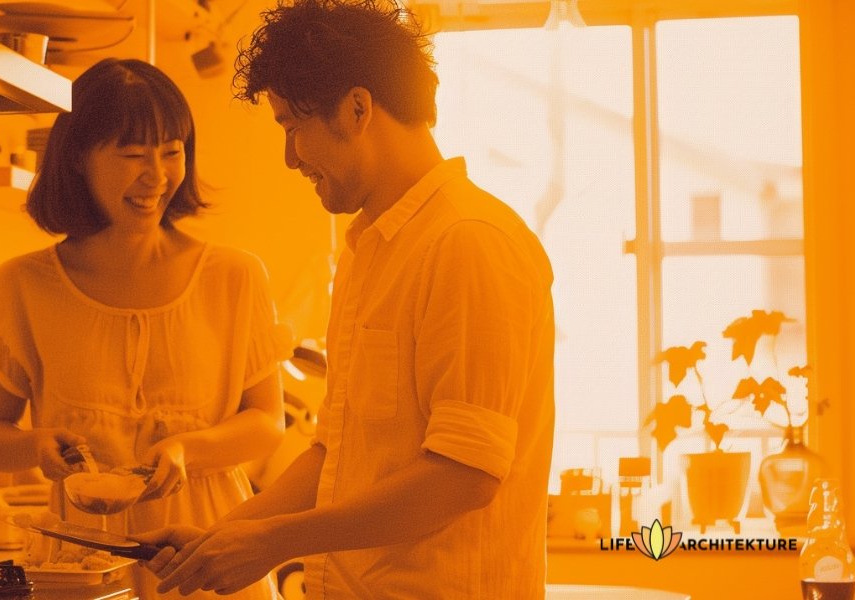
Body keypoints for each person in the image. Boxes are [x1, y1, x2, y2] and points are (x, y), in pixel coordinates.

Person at [136, 0, 556, 597]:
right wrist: (221, 538)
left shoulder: (469, 242)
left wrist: (274, 543)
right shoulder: (370, 252)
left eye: (291, 126)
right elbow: (335, 453)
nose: (290, 158)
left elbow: (463, 476)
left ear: (357, 108)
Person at [0, 57, 286, 600]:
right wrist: (38, 444)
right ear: (76, 160)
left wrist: (188, 449)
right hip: (81, 565)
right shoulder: (22, 285)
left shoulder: (234, 276)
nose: (157, 177)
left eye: (171, 152)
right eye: (132, 155)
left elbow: (267, 421)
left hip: (208, 554)